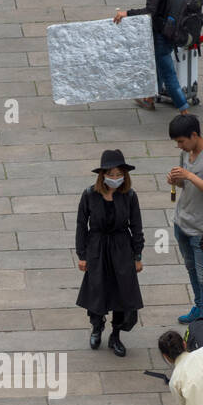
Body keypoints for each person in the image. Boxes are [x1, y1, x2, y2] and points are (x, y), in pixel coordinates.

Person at [75, 150, 145, 356]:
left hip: (122, 247)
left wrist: (137, 256)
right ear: (102, 175)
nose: (115, 178)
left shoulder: (129, 196)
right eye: (111, 174)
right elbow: (81, 225)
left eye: (118, 174)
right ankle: (97, 327)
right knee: (97, 288)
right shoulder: (89, 194)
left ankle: (116, 335)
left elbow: (137, 227)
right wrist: (82, 255)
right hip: (97, 247)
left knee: (122, 291)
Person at [112, 0, 190, 115]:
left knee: (168, 72)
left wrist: (128, 13)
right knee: (159, 63)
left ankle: (185, 113)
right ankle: (149, 98)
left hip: (162, 32)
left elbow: (151, 12)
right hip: (177, 28)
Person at [167, 113, 203, 325]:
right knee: (191, 269)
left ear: (194, 135)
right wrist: (177, 180)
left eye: (181, 141)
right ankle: (199, 306)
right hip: (182, 221)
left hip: (202, 228)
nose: (180, 146)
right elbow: (187, 185)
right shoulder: (186, 154)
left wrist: (190, 176)